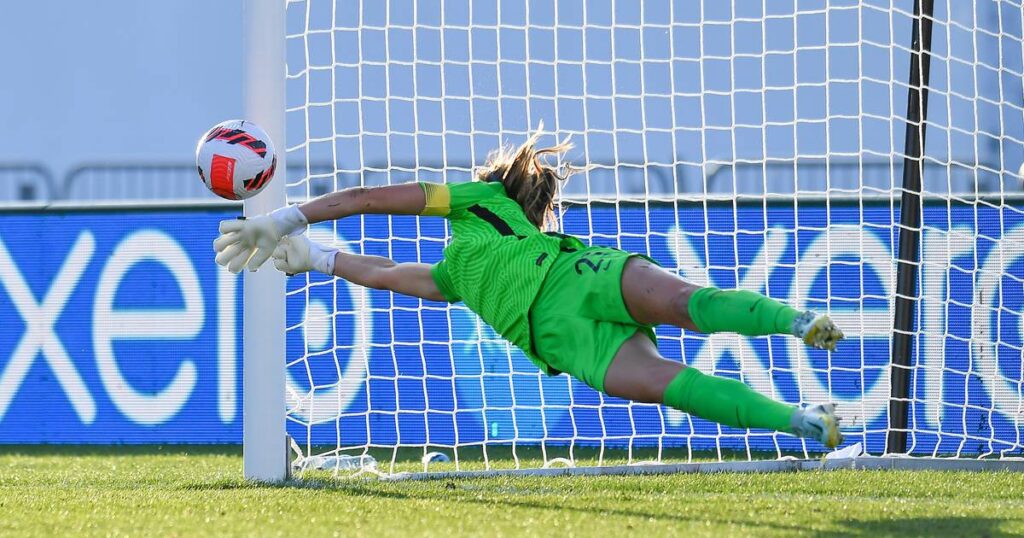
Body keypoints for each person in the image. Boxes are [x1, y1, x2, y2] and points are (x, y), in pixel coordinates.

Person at [213, 129, 845, 449]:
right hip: (563, 339)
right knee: (670, 385)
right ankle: (804, 422)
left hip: (575, 275)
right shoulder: (452, 278)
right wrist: (313, 256)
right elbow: (382, 273)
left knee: (687, 306)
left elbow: (368, 198)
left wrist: (291, 214)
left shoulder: (479, 201)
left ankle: (799, 322)